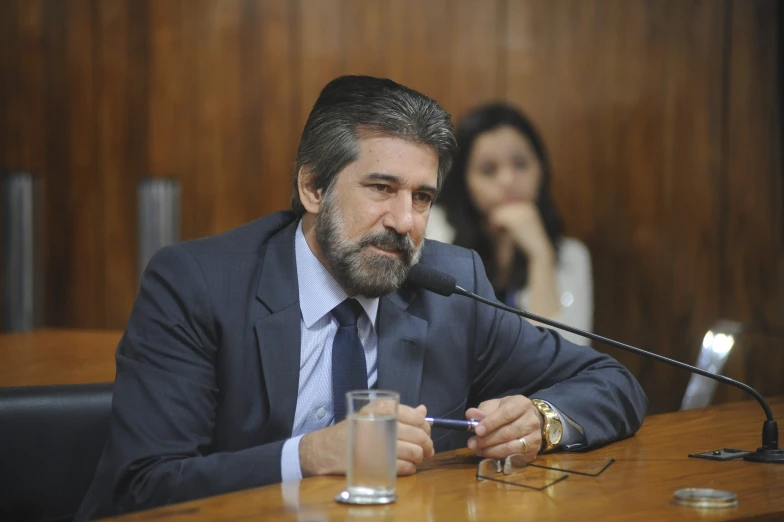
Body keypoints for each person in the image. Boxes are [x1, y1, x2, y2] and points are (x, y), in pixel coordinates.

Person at [76, 76, 646, 520]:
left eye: (422, 197)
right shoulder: (196, 283)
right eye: (381, 188)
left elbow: (612, 383)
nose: (404, 222)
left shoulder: (452, 285)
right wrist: (310, 456)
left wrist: (541, 421)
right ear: (313, 188)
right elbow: (143, 487)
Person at [427, 103, 592, 344]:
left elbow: (569, 356)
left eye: (520, 164)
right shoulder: (434, 232)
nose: (507, 180)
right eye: (488, 170)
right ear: (464, 180)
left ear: (541, 168)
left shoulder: (572, 257)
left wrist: (541, 257)